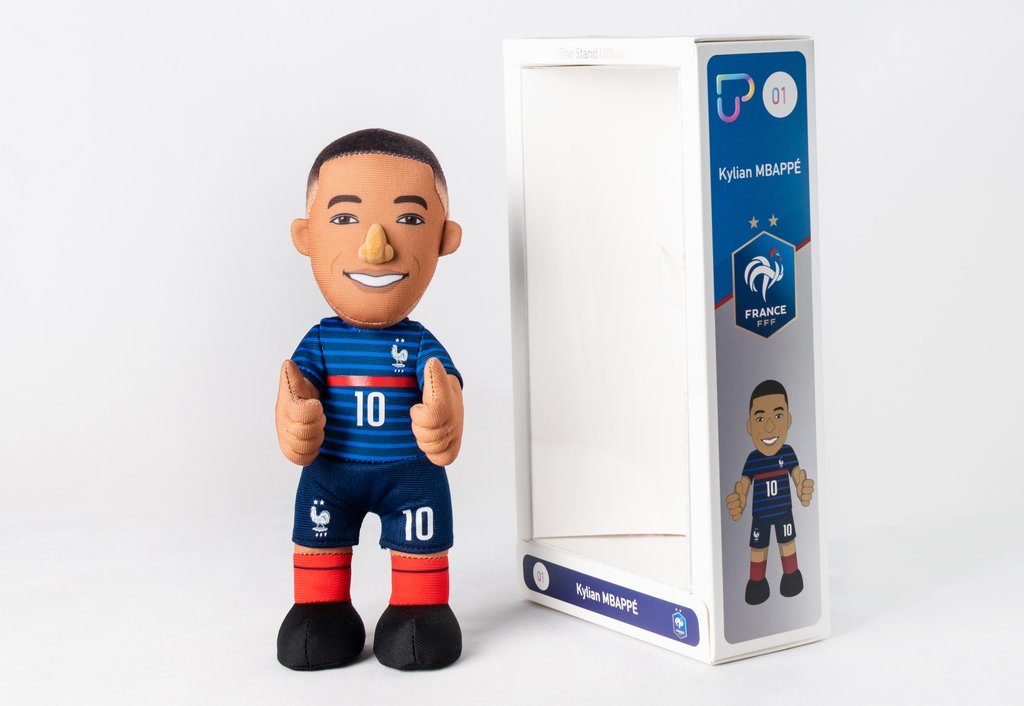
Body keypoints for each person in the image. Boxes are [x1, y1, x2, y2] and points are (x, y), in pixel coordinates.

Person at [275, 129, 465, 670]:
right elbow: (295, 383)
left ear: (444, 239)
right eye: (343, 218)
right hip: (331, 471)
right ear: (306, 236)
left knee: (420, 550)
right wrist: (293, 415)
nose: (375, 247)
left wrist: (446, 415)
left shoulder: (420, 343)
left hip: (411, 474)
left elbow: (446, 383)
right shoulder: (320, 342)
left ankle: (419, 610)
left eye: (408, 219)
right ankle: (320, 610)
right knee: (320, 543)